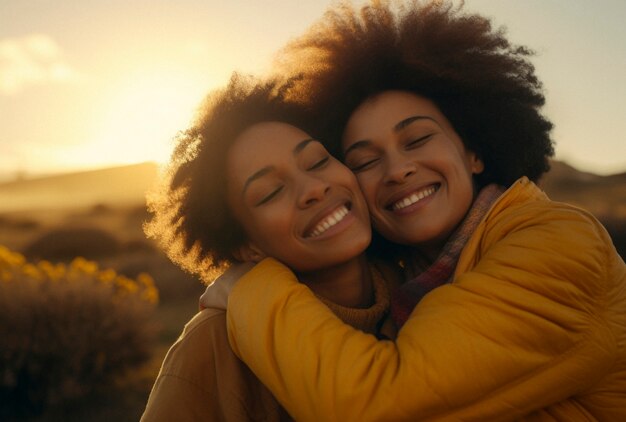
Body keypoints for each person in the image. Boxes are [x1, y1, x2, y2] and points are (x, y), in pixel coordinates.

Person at [203, 2, 626, 420]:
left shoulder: (560, 244)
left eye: (418, 138)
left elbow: (380, 403)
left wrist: (251, 289)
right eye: (365, 162)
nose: (398, 170)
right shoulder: (399, 287)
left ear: (474, 150)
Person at [140, 74, 399, 421]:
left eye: (318, 161)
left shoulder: (424, 287)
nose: (314, 189)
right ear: (246, 245)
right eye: (270, 192)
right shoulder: (212, 345)